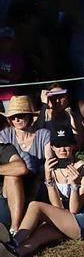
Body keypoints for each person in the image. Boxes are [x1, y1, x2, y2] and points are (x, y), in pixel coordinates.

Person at [0, 127, 84, 257]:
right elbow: (57, 207)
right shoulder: (51, 168)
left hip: (83, 220)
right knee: (37, 237)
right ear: (52, 148)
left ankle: (13, 240)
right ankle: (17, 253)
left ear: (73, 146)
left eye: (66, 145)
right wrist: (49, 179)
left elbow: (75, 209)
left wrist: (74, 185)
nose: (62, 150)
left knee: (35, 206)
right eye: (58, 146)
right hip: (64, 217)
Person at [0, 95, 52, 229]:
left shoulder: (43, 134)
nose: (17, 120)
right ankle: (15, 227)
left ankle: (17, 226)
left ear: (29, 116)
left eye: (21, 116)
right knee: (12, 174)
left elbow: (50, 160)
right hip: (11, 186)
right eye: (13, 117)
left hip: (38, 182)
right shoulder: (5, 135)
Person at [39, 85, 84, 153]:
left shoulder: (73, 117)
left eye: (61, 97)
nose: (57, 101)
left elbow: (78, 145)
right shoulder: (41, 116)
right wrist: (44, 105)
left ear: (67, 99)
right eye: (53, 97)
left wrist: (72, 121)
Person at [0, 27, 27, 111]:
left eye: (8, 40)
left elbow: (16, 77)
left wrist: (2, 73)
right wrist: (7, 75)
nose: (5, 43)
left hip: (10, 98)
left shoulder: (17, 59)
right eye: (3, 40)